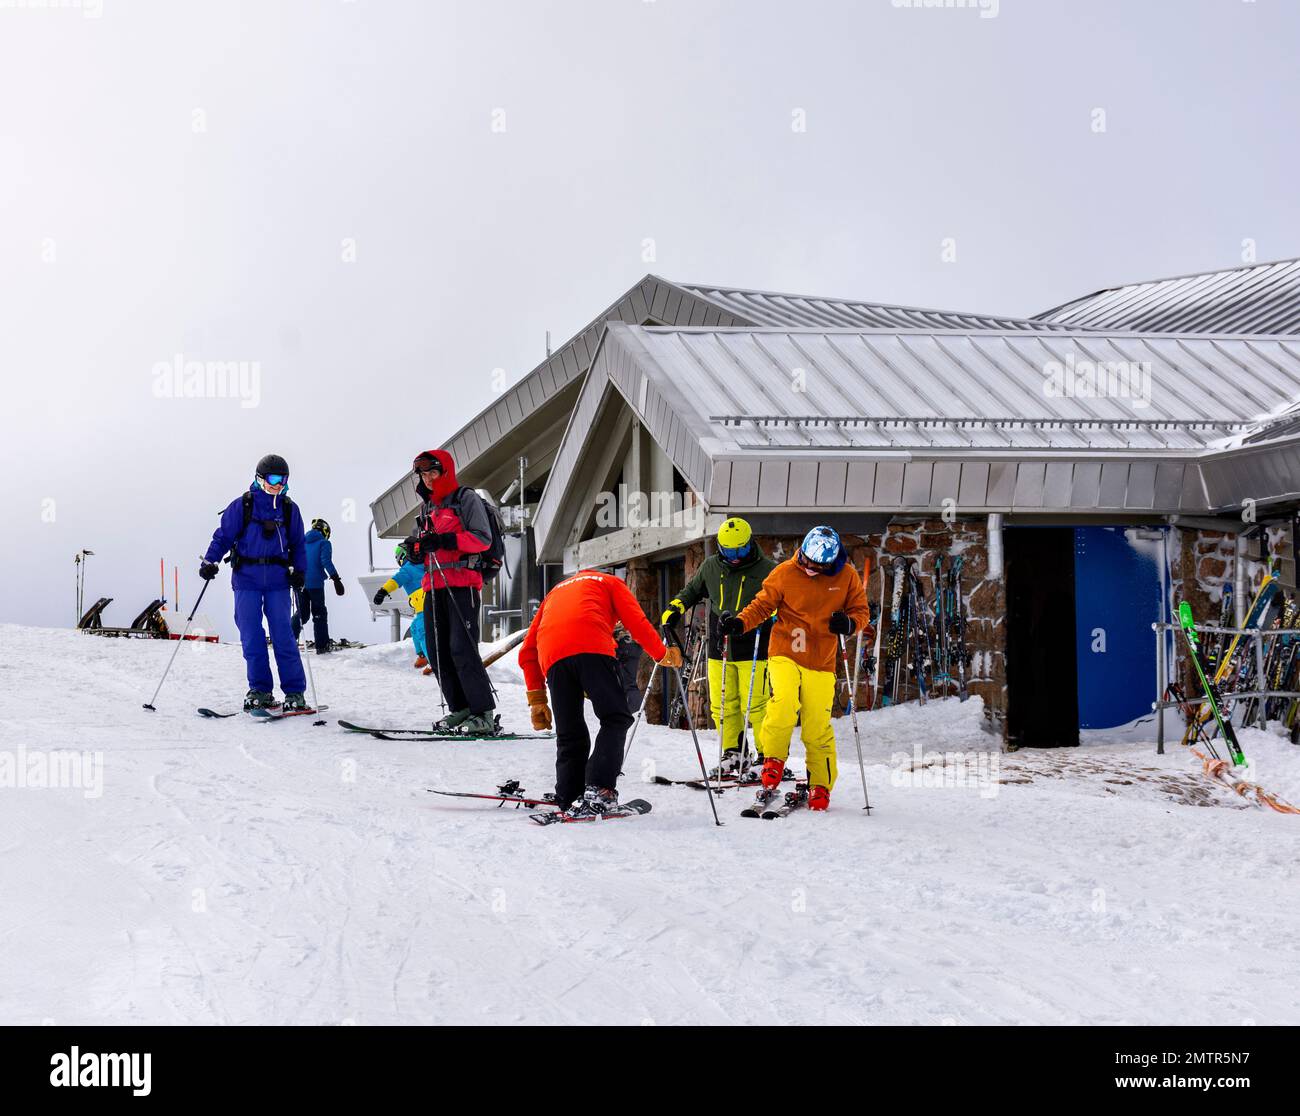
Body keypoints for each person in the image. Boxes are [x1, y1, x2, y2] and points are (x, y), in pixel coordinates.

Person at [720, 526, 872, 811]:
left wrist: (850, 624)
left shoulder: (847, 576)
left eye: (817, 566)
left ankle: (821, 785)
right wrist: (739, 623)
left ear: (833, 561)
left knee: (817, 726)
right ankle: (773, 759)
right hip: (785, 652)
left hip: (822, 660)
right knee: (784, 702)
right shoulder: (785, 573)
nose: (809, 568)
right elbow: (762, 606)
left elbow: (861, 611)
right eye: (805, 560)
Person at [519, 569, 682, 818]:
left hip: (552, 656)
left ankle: (569, 794)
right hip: (592, 646)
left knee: (569, 732)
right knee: (616, 717)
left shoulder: (556, 591)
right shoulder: (612, 582)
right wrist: (662, 654)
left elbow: (528, 650)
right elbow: (636, 622)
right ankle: (599, 790)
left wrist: (537, 699)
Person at [661, 517, 776, 774]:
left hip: (754, 646)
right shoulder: (711, 566)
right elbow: (691, 591)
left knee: (756, 705)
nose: (735, 557)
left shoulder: (767, 569)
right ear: (720, 547)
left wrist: (774, 615)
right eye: (729, 551)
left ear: (750, 543)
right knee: (722, 704)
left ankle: (768, 757)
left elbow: (779, 601)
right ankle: (734, 752)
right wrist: (675, 608)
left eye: (741, 550)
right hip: (720, 647)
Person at [199, 454, 309, 711]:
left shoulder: (290, 509)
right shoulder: (243, 505)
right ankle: (260, 690)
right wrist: (210, 561)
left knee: (283, 635)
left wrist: (300, 571)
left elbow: (298, 544)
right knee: (251, 635)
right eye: (273, 478)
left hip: (278, 581)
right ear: (260, 478)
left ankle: (295, 692)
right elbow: (223, 536)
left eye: (283, 479)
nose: (278, 484)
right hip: (246, 578)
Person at [402, 449, 497, 734]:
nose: (428, 479)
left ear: (445, 472)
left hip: (462, 583)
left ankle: (483, 712)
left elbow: (482, 539)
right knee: (437, 649)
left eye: (433, 472)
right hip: (433, 585)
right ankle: (461, 708)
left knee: (461, 647)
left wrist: (444, 539)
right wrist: (417, 549)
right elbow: (426, 546)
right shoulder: (427, 508)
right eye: (423, 474)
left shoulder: (464, 499)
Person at [292, 517, 344, 653]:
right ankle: (322, 645)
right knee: (319, 613)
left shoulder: (300, 542)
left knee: (302, 613)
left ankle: (287, 640)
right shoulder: (324, 543)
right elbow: (326, 561)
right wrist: (336, 579)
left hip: (300, 583)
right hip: (315, 584)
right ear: (325, 531)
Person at [373, 542, 428, 668]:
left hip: (423, 607)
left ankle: (433, 659)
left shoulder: (408, 568)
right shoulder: (424, 563)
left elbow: (395, 581)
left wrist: (383, 591)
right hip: (427, 606)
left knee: (422, 630)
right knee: (414, 628)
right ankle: (423, 656)